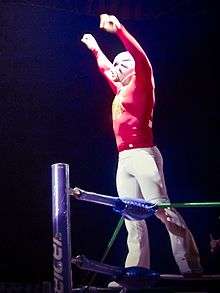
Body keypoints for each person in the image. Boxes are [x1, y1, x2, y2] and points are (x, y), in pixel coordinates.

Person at [81, 14, 203, 287]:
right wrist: (95, 48)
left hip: (143, 154)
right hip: (124, 159)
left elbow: (141, 58)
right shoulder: (120, 90)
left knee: (162, 210)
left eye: (122, 63)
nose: (116, 66)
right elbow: (104, 68)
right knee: (130, 216)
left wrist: (120, 30)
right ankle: (134, 271)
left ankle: (190, 266)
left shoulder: (142, 85)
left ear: (133, 69)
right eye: (116, 62)